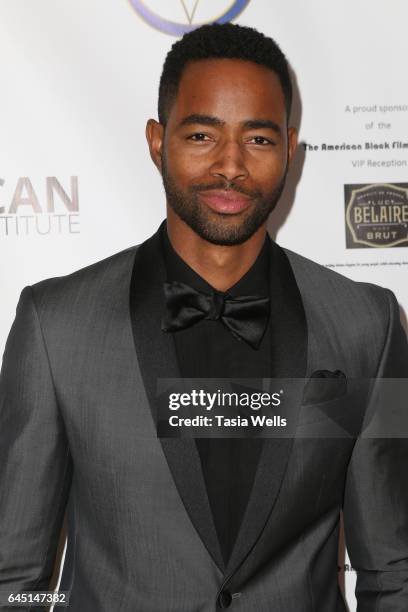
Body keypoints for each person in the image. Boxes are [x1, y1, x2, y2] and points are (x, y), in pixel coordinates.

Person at [0, 22, 407, 612]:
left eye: (259, 140)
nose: (231, 166)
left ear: (291, 149)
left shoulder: (368, 326)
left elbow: (394, 569)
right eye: (201, 135)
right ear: (156, 140)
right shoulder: (56, 326)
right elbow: (14, 578)